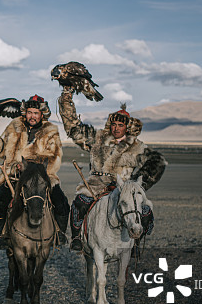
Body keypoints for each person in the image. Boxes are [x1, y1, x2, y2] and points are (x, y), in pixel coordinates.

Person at [57, 88, 166, 251]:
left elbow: (158, 162)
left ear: (127, 127)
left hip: (122, 188)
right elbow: (74, 129)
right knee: (79, 203)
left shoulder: (137, 147)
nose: (116, 128)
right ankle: (77, 238)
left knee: (144, 212)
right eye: (113, 124)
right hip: (95, 185)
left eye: (120, 125)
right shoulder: (97, 138)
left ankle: (135, 243)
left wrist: (136, 186)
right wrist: (66, 101)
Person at [0, 94, 69, 248]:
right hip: (15, 176)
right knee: (0, 202)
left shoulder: (51, 131)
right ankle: (2, 236)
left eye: (36, 113)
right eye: (30, 112)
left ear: (42, 114)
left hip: (42, 176)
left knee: (61, 201)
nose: (32, 116)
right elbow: (2, 147)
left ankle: (59, 234)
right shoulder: (14, 126)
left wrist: (31, 166)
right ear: (25, 112)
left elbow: (53, 155)